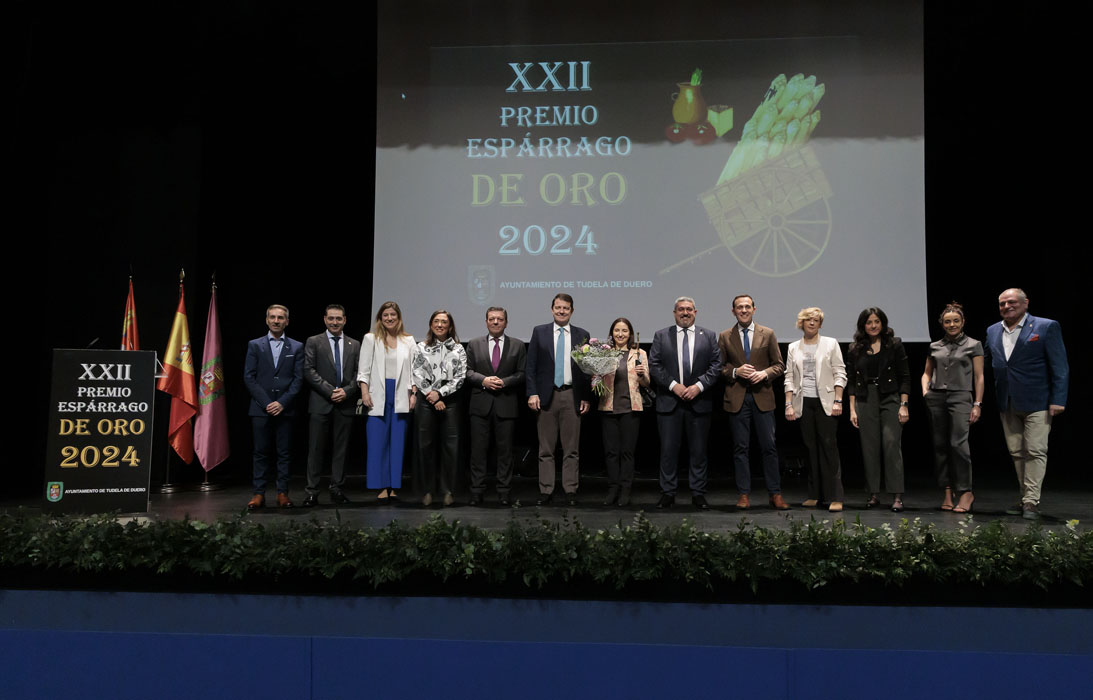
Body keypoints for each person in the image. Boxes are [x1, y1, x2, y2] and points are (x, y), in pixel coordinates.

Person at [985, 288, 1068, 520]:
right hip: (1007, 400)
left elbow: (1060, 366)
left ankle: (1031, 500)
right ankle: (1025, 498)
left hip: (1038, 400)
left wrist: (1058, 399)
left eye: (1011, 302)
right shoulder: (992, 330)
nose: (1006, 306)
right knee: (1017, 452)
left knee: (1035, 450)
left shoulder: (1045, 326)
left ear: (1025, 303)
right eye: (1002, 303)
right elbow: (987, 360)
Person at [649, 297, 722, 509]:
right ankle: (667, 492)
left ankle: (698, 493)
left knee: (699, 451)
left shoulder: (708, 336)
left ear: (696, 312)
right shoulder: (662, 335)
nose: (685, 313)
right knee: (668, 451)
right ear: (674, 313)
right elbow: (655, 365)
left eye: (689, 309)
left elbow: (716, 366)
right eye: (681, 309)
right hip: (669, 401)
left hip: (698, 402)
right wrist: (674, 385)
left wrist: (698, 387)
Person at [718, 294, 787, 510]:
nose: (744, 310)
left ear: (754, 309)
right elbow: (719, 368)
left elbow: (779, 365)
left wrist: (764, 374)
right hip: (737, 397)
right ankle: (743, 494)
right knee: (741, 448)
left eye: (748, 306)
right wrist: (736, 371)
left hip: (763, 397)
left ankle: (775, 494)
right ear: (733, 311)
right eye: (740, 307)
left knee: (769, 447)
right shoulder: (725, 336)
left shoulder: (768, 333)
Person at [526, 294, 591, 506]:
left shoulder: (582, 334)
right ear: (552, 309)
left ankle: (570, 490)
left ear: (572, 310)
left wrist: (585, 397)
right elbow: (531, 366)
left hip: (571, 395)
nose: (561, 311)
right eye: (558, 307)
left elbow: (586, 370)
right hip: (547, 396)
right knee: (546, 448)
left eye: (566, 308)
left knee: (571, 449)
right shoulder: (539, 332)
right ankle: (546, 490)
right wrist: (532, 392)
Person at [921, 302, 984, 514]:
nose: (952, 324)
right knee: (940, 446)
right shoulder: (935, 346)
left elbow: (979, 376)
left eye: (956, 321)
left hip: (961, 397)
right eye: (948, 321)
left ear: (963, 321)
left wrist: (977, 403)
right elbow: (927, 372)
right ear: (942, 323)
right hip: (937, 397)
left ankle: (966, 491)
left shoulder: (973, 345)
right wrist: (925, 391)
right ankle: (947, 491)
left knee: (959, 444)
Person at [847, 307, 910, 512]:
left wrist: (904, 405)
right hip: (865, 399)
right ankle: (873, 493)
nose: (873, 326)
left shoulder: (894, 344)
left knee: (892, 445)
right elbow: (852, 381)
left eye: (876, 321)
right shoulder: (855, 348)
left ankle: (897, 495)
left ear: (882, 323)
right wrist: (852, 409)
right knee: (869, 447)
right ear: (863, 325)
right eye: (869, 322)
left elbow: (905, 377)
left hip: (890, 397)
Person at [784, 307, 847, 512]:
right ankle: (814, 495)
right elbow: (789, 377)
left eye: (816, 320)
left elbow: (840, 372)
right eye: (808, 320)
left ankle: (835, 496)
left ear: (820, 324)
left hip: (826, 402)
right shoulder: (794, 347)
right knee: (810, 448)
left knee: (829, 448)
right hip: (804, 402)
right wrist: (788, 404)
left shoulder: (830, 344)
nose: (812, 323)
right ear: (801, 323)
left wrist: (838, 400)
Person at [243, 304, 304, 510]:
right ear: (267, 320)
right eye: (272, 317)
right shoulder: (255, 345)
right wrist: (268, 403)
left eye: (280, 318)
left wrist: (282, 403)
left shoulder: (296, 347)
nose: (276, 321)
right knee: (260, 452)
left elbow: (298, 380)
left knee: (284, 453)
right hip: (260, 408)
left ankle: (282, 493)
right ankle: (258, 493)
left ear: (287, 321)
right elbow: (249, 378)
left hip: (285, 408)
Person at [465, 307, 526, 506]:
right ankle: (476, 492)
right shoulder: (474, 344)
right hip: (480, 405)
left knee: (505, 452)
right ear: (486, 322)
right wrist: (484, 380)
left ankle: (504, 492)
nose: (496, 322)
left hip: (506, 404)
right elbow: (467, 371)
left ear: (506, 322)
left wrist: (504, 382)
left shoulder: (517, 345)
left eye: (500, 319)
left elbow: (522, 374)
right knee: (478, 451)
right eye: (492, 319)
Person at [358, 301, 417, 502]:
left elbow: (414, 371)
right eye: (385, 315)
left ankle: (393, 486)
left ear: (398, 318)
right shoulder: (371, 339)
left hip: (401, 394)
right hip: (377, 395)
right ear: (380, 319)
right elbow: (363, 370)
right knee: (377, 443)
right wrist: (364, 392)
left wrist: (413, 394)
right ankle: (381, 486)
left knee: (397, 443)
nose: (389, 318)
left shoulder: (408, 341)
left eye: (393, 315)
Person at [302, 304, 360, 507]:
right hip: (321, 402)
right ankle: (312, 491)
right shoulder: (314, 341)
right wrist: (330, 391)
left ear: (345, 320)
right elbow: (308, 370)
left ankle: (337, 488)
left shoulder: (355, 344)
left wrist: (346, 391)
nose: (335, 322)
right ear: (325, 320)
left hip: (346, 403)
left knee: (341, 449)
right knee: (316, 448)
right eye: (331, 318)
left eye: (339, 319)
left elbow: (359, 374)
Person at [412, 309, 467, 507]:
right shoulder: (421, 347)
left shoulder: (458, 349)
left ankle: (448, 491)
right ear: (431, 325)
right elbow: (417, 374)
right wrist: (433, 397)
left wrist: (441, 394)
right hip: (426, 402)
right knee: (425, 447)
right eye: (436, 321)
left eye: (444, 322)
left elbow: (461, 377)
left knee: (450, 448)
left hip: (450, 402)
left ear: (450, 326)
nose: (440, 325)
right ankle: (427, 490)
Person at [598, 317, 650, 507]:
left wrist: (642, 374)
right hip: (608, 407)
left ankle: (626, 489)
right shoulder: (603, 353)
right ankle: (613, 488)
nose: (620, 334)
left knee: (627, 452)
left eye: (624, 331)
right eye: (617, 330)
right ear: (612, 333)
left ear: (630, 333)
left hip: (631, 408)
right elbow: (597, 383)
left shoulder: (639, 353)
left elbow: (647, 383)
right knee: (611, 452)